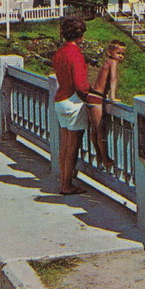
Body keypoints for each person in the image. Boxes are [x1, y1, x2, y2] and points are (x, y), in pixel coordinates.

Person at [52, 15, 91, 195]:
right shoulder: (75, 55)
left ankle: (63, 180)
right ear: (80, 35)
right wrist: (95, 97)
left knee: (64, 145)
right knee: (72, 147)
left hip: (60, 100)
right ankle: (66, 185)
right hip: (73, 102)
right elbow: (81, 85)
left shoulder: (59, 53)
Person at [86, 40, 126, 171]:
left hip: (91, 96)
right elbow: (113, 78)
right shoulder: (112, 63)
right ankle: (105, 158)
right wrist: (112, 97)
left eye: (123, 54)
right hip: (97, 98)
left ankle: (99, 155)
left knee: (94, 129)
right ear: (110, 52)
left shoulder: (106, 63)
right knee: (100, 130)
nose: (121, 56)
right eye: (118, 53)